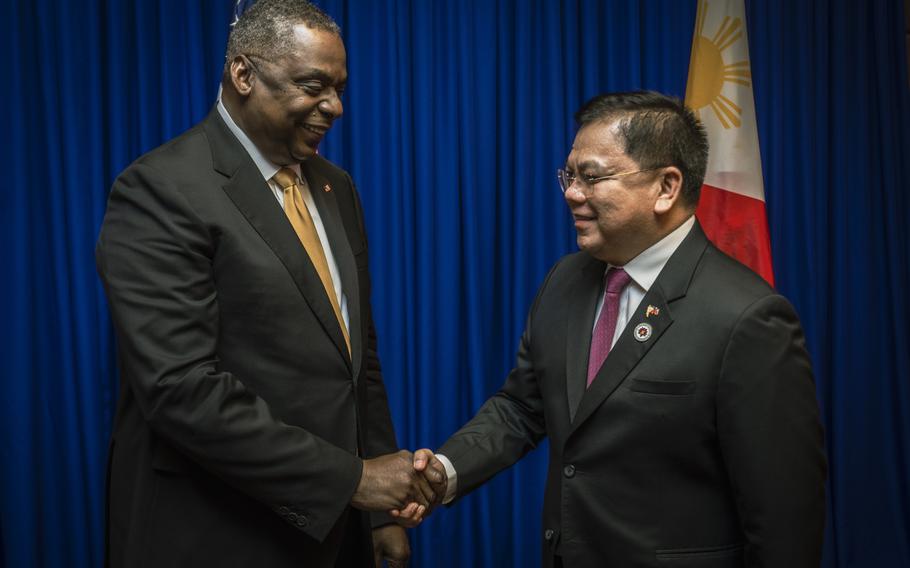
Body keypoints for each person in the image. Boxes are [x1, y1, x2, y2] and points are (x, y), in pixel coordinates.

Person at [96, 1, 442, 566]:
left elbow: (357, 356)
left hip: (334, 529)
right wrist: (351, 479)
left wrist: (377, 513)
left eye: (339, 87)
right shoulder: (161, 189)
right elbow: (180, 387)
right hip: (215, 528)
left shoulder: (336, 187)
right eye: (313, 86)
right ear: (243, 75)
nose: (334, 106)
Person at [429, 91, 827, 567]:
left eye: (592, 177)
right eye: (570, 176)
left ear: (666, 187)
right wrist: (442, 472)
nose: (572, 193)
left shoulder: (748, 317)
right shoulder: (563, 280)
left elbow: (785, 520)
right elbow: (522, 407)